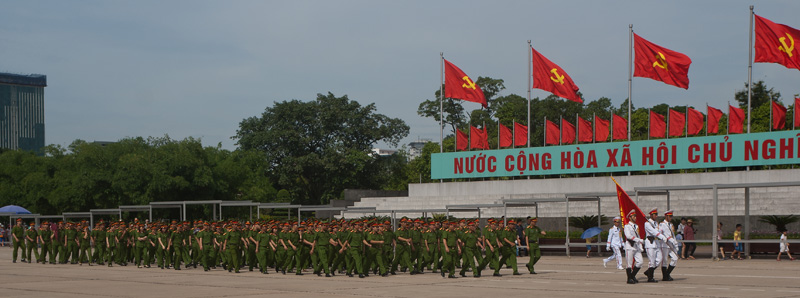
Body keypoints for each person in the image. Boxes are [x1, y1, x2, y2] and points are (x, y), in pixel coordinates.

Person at [644, 208, 665, 283]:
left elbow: (658, 231)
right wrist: (662, 237)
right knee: (651, 261)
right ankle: (650, 278)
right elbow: (653, 232)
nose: (656, 216)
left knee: (659, 259)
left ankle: (648, 272)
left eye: (657, 214)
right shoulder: (647, 223)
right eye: (655, 214)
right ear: (651, 215)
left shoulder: (656, 223)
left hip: (656, 242)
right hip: (650, 243)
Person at [624, 210, 644, 284]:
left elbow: (637, 235)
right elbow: (628, 236)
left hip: (636, 246)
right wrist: (638, 240)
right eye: (633, 216)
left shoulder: (636, 226)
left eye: (635, 216)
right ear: (630, 217)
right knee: (629, 264)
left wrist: (640, 246)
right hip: (629, 246)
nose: (635, 217)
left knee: (640, 262)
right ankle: (629, 279)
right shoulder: (627, 226)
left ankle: (632, 276)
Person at [659, 210, 679, 281]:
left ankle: (667, 274)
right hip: (665, 244)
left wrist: (675, 243)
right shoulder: (662, 224)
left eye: (672, 216)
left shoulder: (670, 225)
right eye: (670, 216)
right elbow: (665, 235)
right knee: (664, 261)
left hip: (671, 245)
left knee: (675, 258)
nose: (671, 218)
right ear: (666, 216)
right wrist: (673, 241)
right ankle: (665, 277)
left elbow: (672, 235)